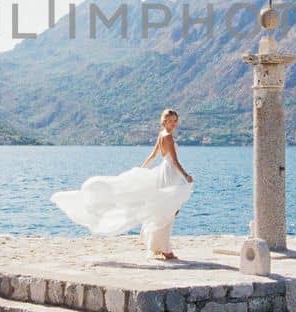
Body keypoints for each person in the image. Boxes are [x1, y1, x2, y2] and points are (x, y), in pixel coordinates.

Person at [51, 108, 194, 260]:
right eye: (170, 121)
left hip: (165, 172)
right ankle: (164, 249)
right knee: (167, 211)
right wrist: (185, 175)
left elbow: (153, 156)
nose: (173, 124)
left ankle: (159, 247)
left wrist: (140, 170)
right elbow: (174, 160)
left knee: (164, 210)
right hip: (169, 173)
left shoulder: (161, 135)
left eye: (175, 121)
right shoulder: (168, 138)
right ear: (164, 121)